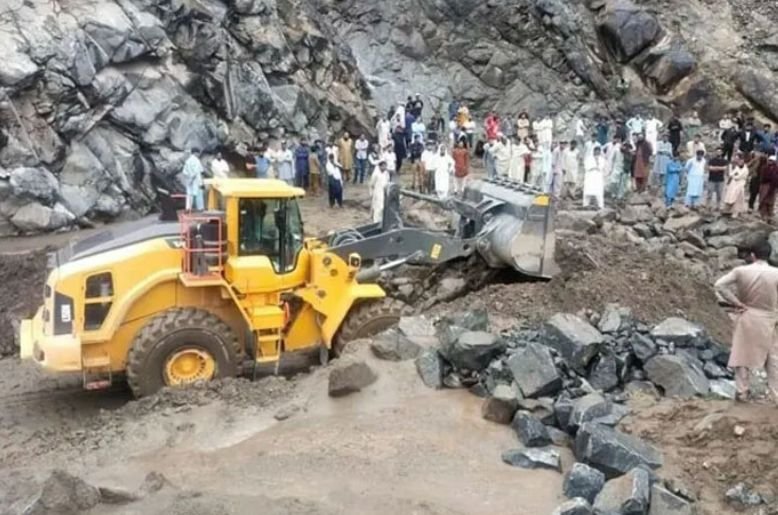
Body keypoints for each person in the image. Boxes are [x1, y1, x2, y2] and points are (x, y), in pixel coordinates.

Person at [714, 241, 778, 404]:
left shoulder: (741, 271)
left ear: (752, 255)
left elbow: (719, 285)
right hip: (769, 317)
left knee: (742, 354)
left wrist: (736, 303)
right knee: (772, 357)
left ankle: (742, 392)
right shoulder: (776, 273)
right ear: (769, 255)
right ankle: (775, 394)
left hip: (747, 314)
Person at [582, 145, 605, 209]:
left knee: (598, 191)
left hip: (598, 176)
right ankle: (585, 204)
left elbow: (601, 167)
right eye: (596, 151)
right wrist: (593, 167)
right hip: (590, 176)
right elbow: (586, 166)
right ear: (593, 151)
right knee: (587, 191)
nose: (597, 153)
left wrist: (597, 163)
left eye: (598, 152)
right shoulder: (588, 158)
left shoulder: (602, 159)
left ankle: (600, 205)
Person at [758, 156, 778, 221]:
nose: (770, 161)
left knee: (770, 202)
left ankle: (770, 216)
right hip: (765, 185)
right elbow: (762, 177)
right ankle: (763, 215)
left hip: (773, 187)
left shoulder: (776, 169)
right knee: (763, 200)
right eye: (769, 160)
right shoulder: (765, 168)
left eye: (771, 160)